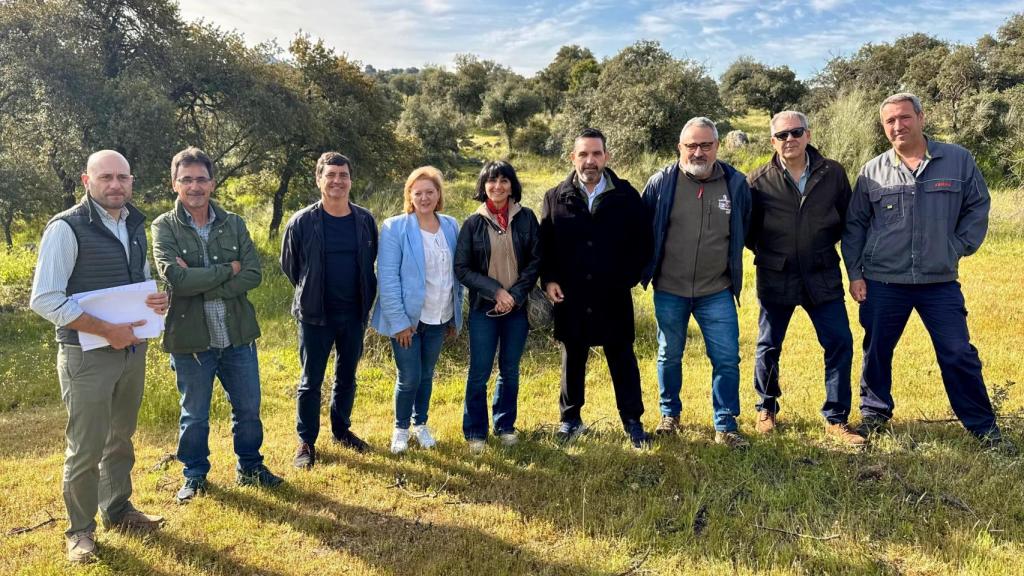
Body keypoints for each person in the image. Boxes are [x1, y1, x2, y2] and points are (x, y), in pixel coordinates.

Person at [842, 92, 1010, 449]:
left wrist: (957, 246)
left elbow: (978, 205)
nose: (897, 126)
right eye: (890, 121)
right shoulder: (872, 170)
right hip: (883, 279)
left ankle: (983, 426)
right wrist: (855, 273)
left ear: (921, 117)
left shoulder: (958, 160)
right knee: (877, 350)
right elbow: (855, 225)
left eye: (904, 117)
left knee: (957, 351)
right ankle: (874, 413)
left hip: (939, 282)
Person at [29, 150, 167, 563]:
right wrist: (107, 330)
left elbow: (136, 280)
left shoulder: (135, 225)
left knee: (120, 439)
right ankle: (80, 532)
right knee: (86, 448)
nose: (115, 185)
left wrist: (155, 299)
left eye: (122, 177)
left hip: (131, 352)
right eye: (106, 177)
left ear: (131, 181)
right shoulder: (65, 228)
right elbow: (45, 299)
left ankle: (119, 509)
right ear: (86, 182)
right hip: (86, 356)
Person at [151, 147, 282, 503]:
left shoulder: (234, 223)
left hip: (237, 334)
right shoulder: (163, 226)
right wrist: (227, 270)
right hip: (190, 340)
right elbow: (176, 279)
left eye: (202, 179)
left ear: (212, 182)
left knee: (249, 410)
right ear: (175, 183)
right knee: (194, 415)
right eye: (187, 179)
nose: (195, 186)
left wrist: (200, 281)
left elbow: (253, 273)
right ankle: (194, 475)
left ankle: (251, 467)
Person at [745, 112, 865, 446]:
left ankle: (837, 418)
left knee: (840, 342)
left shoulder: (833, 173)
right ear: (773, 141)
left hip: (821, 273)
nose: (789, 140)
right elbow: (748, 231)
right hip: (776, 276)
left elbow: (848, 220)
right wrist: (776, 253)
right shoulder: (758, 180)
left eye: (795, 132)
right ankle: (765, 409)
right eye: (781, 135)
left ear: (808, 135)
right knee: (768, 346)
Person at [640, 117, 751, 449]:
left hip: (716, 290)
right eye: (691, 145)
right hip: (670, 289)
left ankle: (726, 425)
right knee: (668, 355)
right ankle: (669, 415)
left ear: (717, 146)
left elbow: (745, 227)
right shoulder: (661, 183)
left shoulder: (736, 184)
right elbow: (643, 229)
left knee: (727, 358)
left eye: (705, 145)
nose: (698, 152)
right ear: (680, 147)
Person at [539, 128, 653, 449]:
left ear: (607, 157)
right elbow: (545, 245)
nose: (590, 161)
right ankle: (570, 419)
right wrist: (548, 279)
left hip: (612, 294)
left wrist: (626, 278)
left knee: (621, 357)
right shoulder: (555, 197)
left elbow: (642, 244)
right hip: (571, 296)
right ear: (572, 157)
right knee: (572, 357)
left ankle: (633, 421)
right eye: (583, 154)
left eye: (596, 154)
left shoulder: (627, 196)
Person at [282, 152, 378, 469]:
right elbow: (292, 268)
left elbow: (370, 260)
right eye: (331, 174)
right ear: (319, 179)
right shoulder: (301, 222)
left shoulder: (364, 220)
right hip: (315, 316)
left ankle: (342, 430)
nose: (337, 180)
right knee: (311, 381)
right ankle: (306, 442)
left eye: (343, 175)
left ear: (351, 179)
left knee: (347, 376)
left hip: (354, 315)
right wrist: (312, 291)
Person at [372, 166, 463, 454]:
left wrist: (453, 317)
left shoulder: (450, 225)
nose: (424, 197)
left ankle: (420, 424)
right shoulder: (394, 227)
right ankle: (400, 429)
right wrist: (399, 322)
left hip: (439, 316)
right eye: (418, 192)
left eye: (430, 192)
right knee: (409, 376)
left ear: (439, 196)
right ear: (410, 196)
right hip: (408, 320)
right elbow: (387, 278)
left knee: (426, 375)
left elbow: (455, 276)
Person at [454, 161, 541, 454]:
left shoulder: (527, 218)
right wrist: (496, 291)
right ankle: (475, 432)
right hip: (484, 310)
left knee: (509, 370)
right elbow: (462, 269)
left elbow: (535, 262)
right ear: (483, 186)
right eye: (491, 181)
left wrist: (514, 295)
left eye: (504, 180)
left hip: (517, 309)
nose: (498, 186)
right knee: (479, 371)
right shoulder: (472, 223)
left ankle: (505, 426)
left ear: (512, 185)